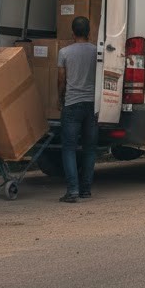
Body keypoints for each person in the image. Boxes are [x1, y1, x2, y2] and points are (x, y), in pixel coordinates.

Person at [57, 16, 98, 203]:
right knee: (90, 149)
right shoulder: (97, 52)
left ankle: (72, 190)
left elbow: (61, 80)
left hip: (72, 104)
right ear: (89, 32)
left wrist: (61, 99)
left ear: (72, 33)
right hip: (91, 105)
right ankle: (86, 190)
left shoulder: (64, 52)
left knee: (69, 148)